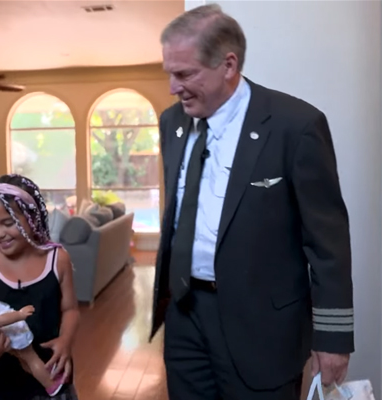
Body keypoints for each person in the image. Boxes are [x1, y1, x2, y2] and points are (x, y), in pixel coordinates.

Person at [150, 4, 354, 400]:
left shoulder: (295, 125)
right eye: (169, 74)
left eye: (185, 74)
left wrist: (332, 336)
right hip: (185, 318)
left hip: (263, 327)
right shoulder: (171, 122)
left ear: (228, 65)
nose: (173, 87)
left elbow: (328, 241)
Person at [0, 174, 80, 400]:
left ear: (33, 219)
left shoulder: (57, 259)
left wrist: (65, 341)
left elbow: (70, 309)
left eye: (8, 222)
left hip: (47, 377)